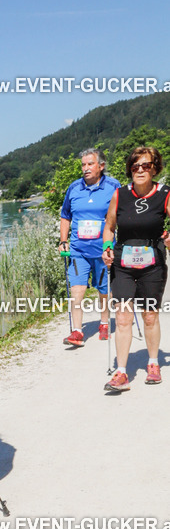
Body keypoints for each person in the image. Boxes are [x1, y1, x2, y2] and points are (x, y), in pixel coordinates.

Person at [102, 145, 170, 391]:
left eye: (146, 166)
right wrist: (107, 246)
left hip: (153, 263)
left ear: (155, 168)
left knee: (149, 316)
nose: (140, 170)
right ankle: (121, 373)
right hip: (123, 263)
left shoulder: (165, 194)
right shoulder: (119, 194)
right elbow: (109, 227)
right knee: (122, 317)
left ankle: (153, 364)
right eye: (135, 166)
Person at [59, 149, 120, 346]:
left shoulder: (113, 186)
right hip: (78, 249)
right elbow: (65, 215)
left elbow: (123, 214)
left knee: (104, 290)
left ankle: (104, 322)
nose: (85, 168)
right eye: (83, 165)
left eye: (90, 164)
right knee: (77, 289)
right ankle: (77, 331)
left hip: (103, 249)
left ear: (101, 166)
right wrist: (63, 240)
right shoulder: (74, 188)